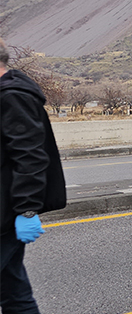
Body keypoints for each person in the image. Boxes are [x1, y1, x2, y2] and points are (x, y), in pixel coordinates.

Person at [1, 38, 67, 313]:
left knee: (14, 294)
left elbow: (31, 155)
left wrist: (27, 210)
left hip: (5, 213)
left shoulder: (11, 96)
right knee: (13, 294)